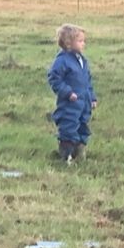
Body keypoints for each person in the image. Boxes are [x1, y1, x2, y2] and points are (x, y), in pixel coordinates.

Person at [48, 24, 96, 163]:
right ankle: (66, 156)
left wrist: (92, 97)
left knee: (82, 126)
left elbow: (87, 80)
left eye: (83, 41)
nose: (83, 44)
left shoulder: (82, 61)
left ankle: (80, 154)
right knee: (68, 126)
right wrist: (67, 92)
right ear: (69, 43)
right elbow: (54, 78)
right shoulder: (62, 61)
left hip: (84, 102)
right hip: (70, 103)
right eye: (80, 41)